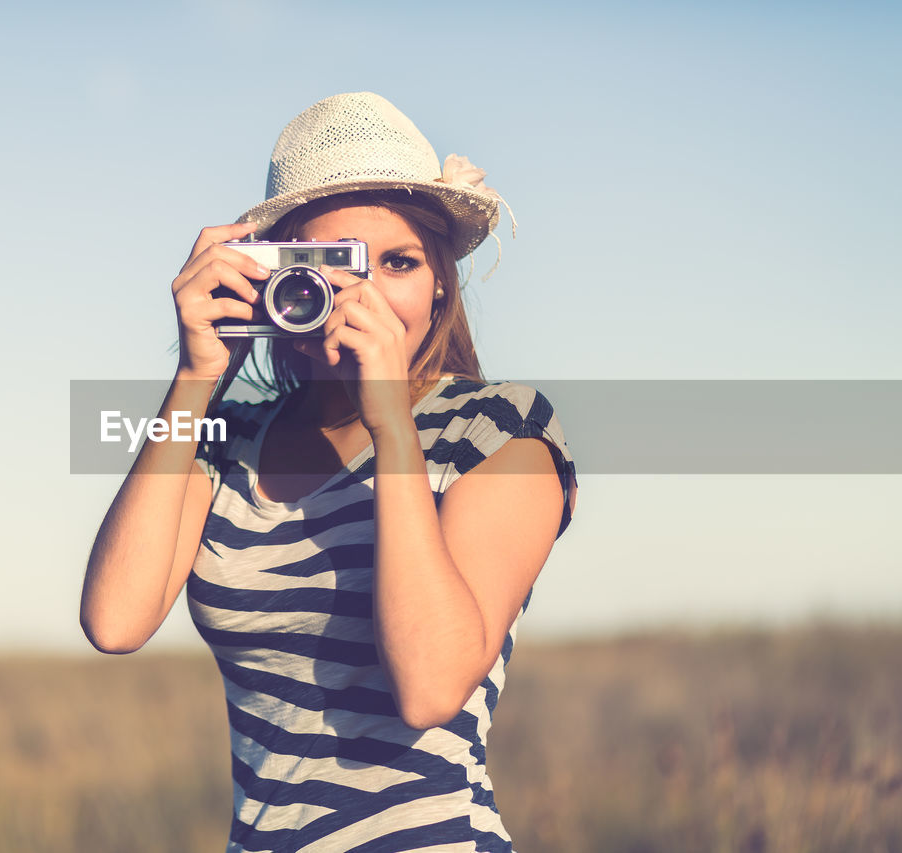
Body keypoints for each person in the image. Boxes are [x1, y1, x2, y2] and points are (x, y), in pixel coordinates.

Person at [81, 92, 578, 853]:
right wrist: (195, 376)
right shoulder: (230, 436)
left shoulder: (499, 431)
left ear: (443, 279)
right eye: (327, 267)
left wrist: (392, 426)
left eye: (399, 263)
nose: (364, 296)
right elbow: (116, 620)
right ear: (277, 282)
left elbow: (431, 684)